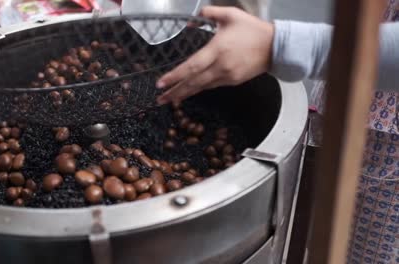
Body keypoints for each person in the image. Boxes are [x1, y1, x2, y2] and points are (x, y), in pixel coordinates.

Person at [156, 4, 399, 264]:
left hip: (388, 144)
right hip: (341, 99)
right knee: (322, 223)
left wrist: (279, 45)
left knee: (366, 254)